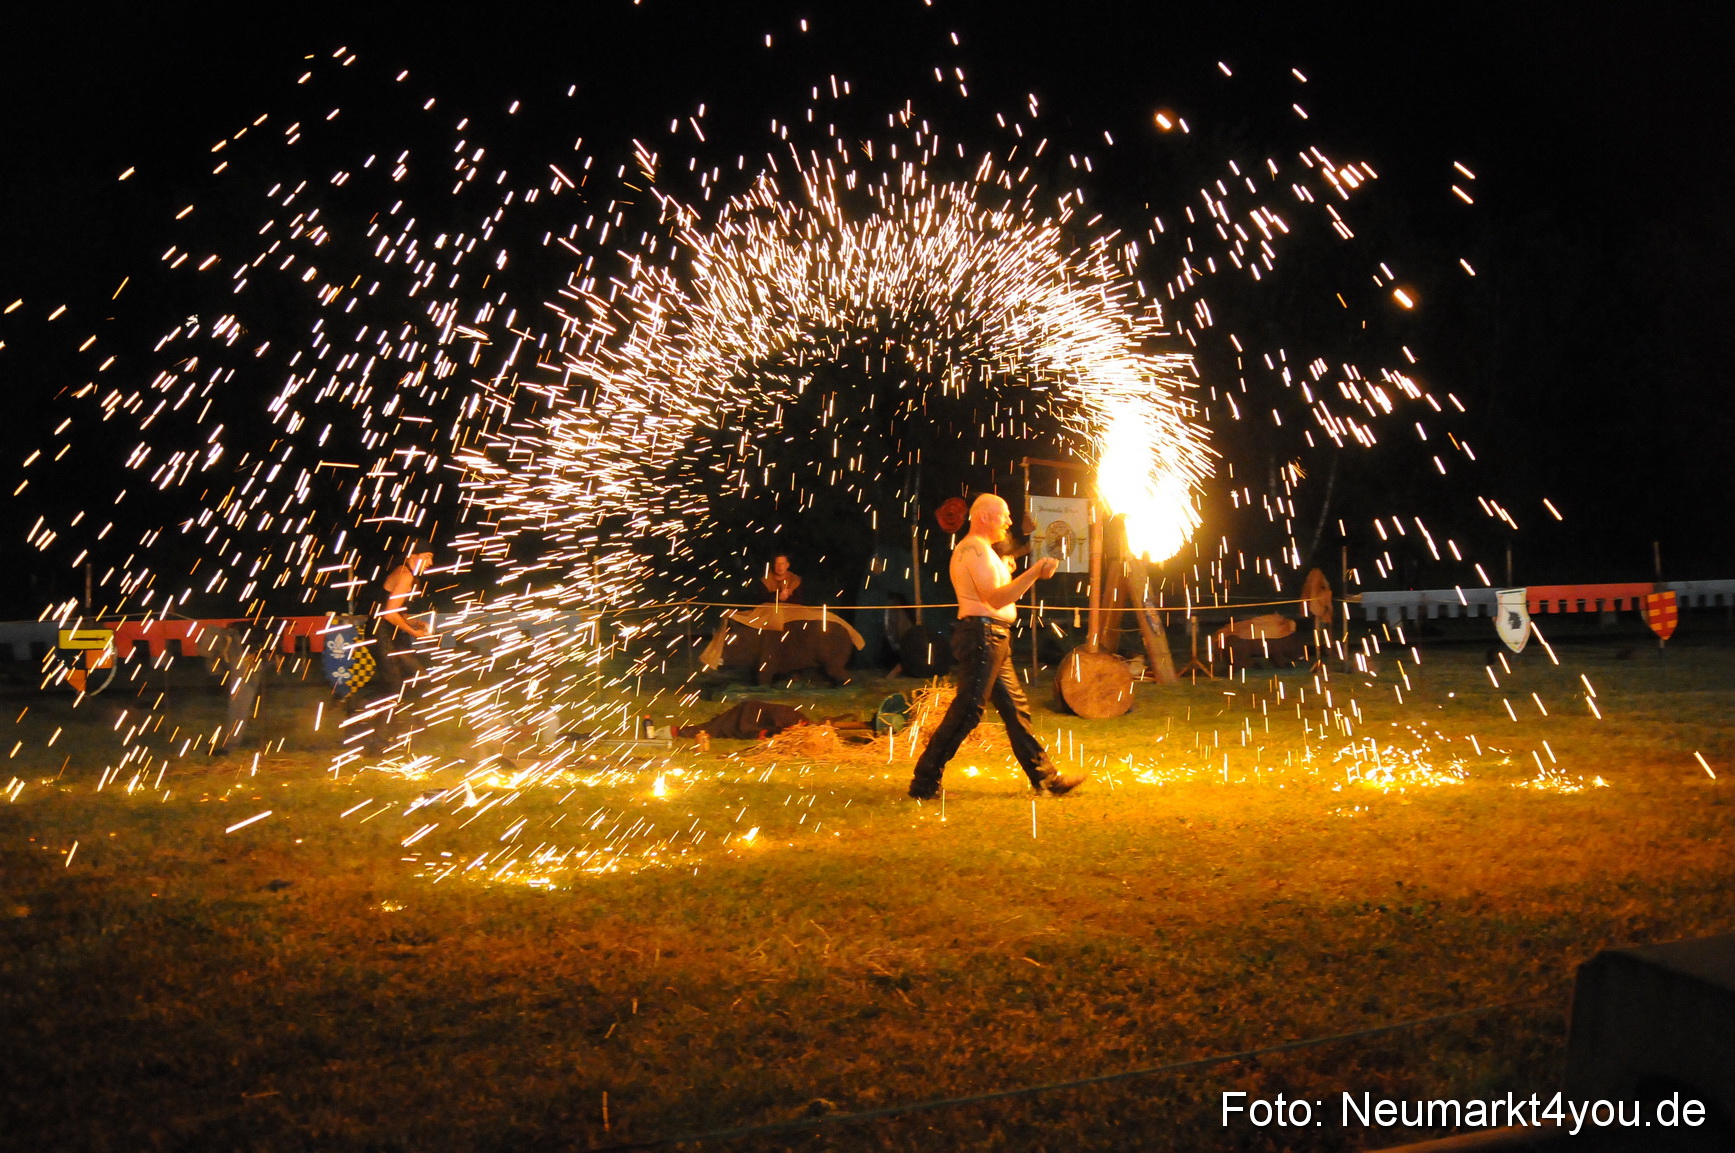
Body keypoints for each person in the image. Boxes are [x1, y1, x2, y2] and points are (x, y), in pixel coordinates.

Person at [908, 494, 1085, 799]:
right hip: (982, 636)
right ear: (985, 517)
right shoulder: (973, 550)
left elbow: (1001, 592)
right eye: (1003, 515)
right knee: (968, 711)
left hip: (994, 636)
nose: (1009, 521)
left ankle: (1046, 779)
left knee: (1016, 710)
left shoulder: (985, 552)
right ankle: (924, 780)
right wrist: (1035, 572)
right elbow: (996, 598)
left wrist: (1017, 571)